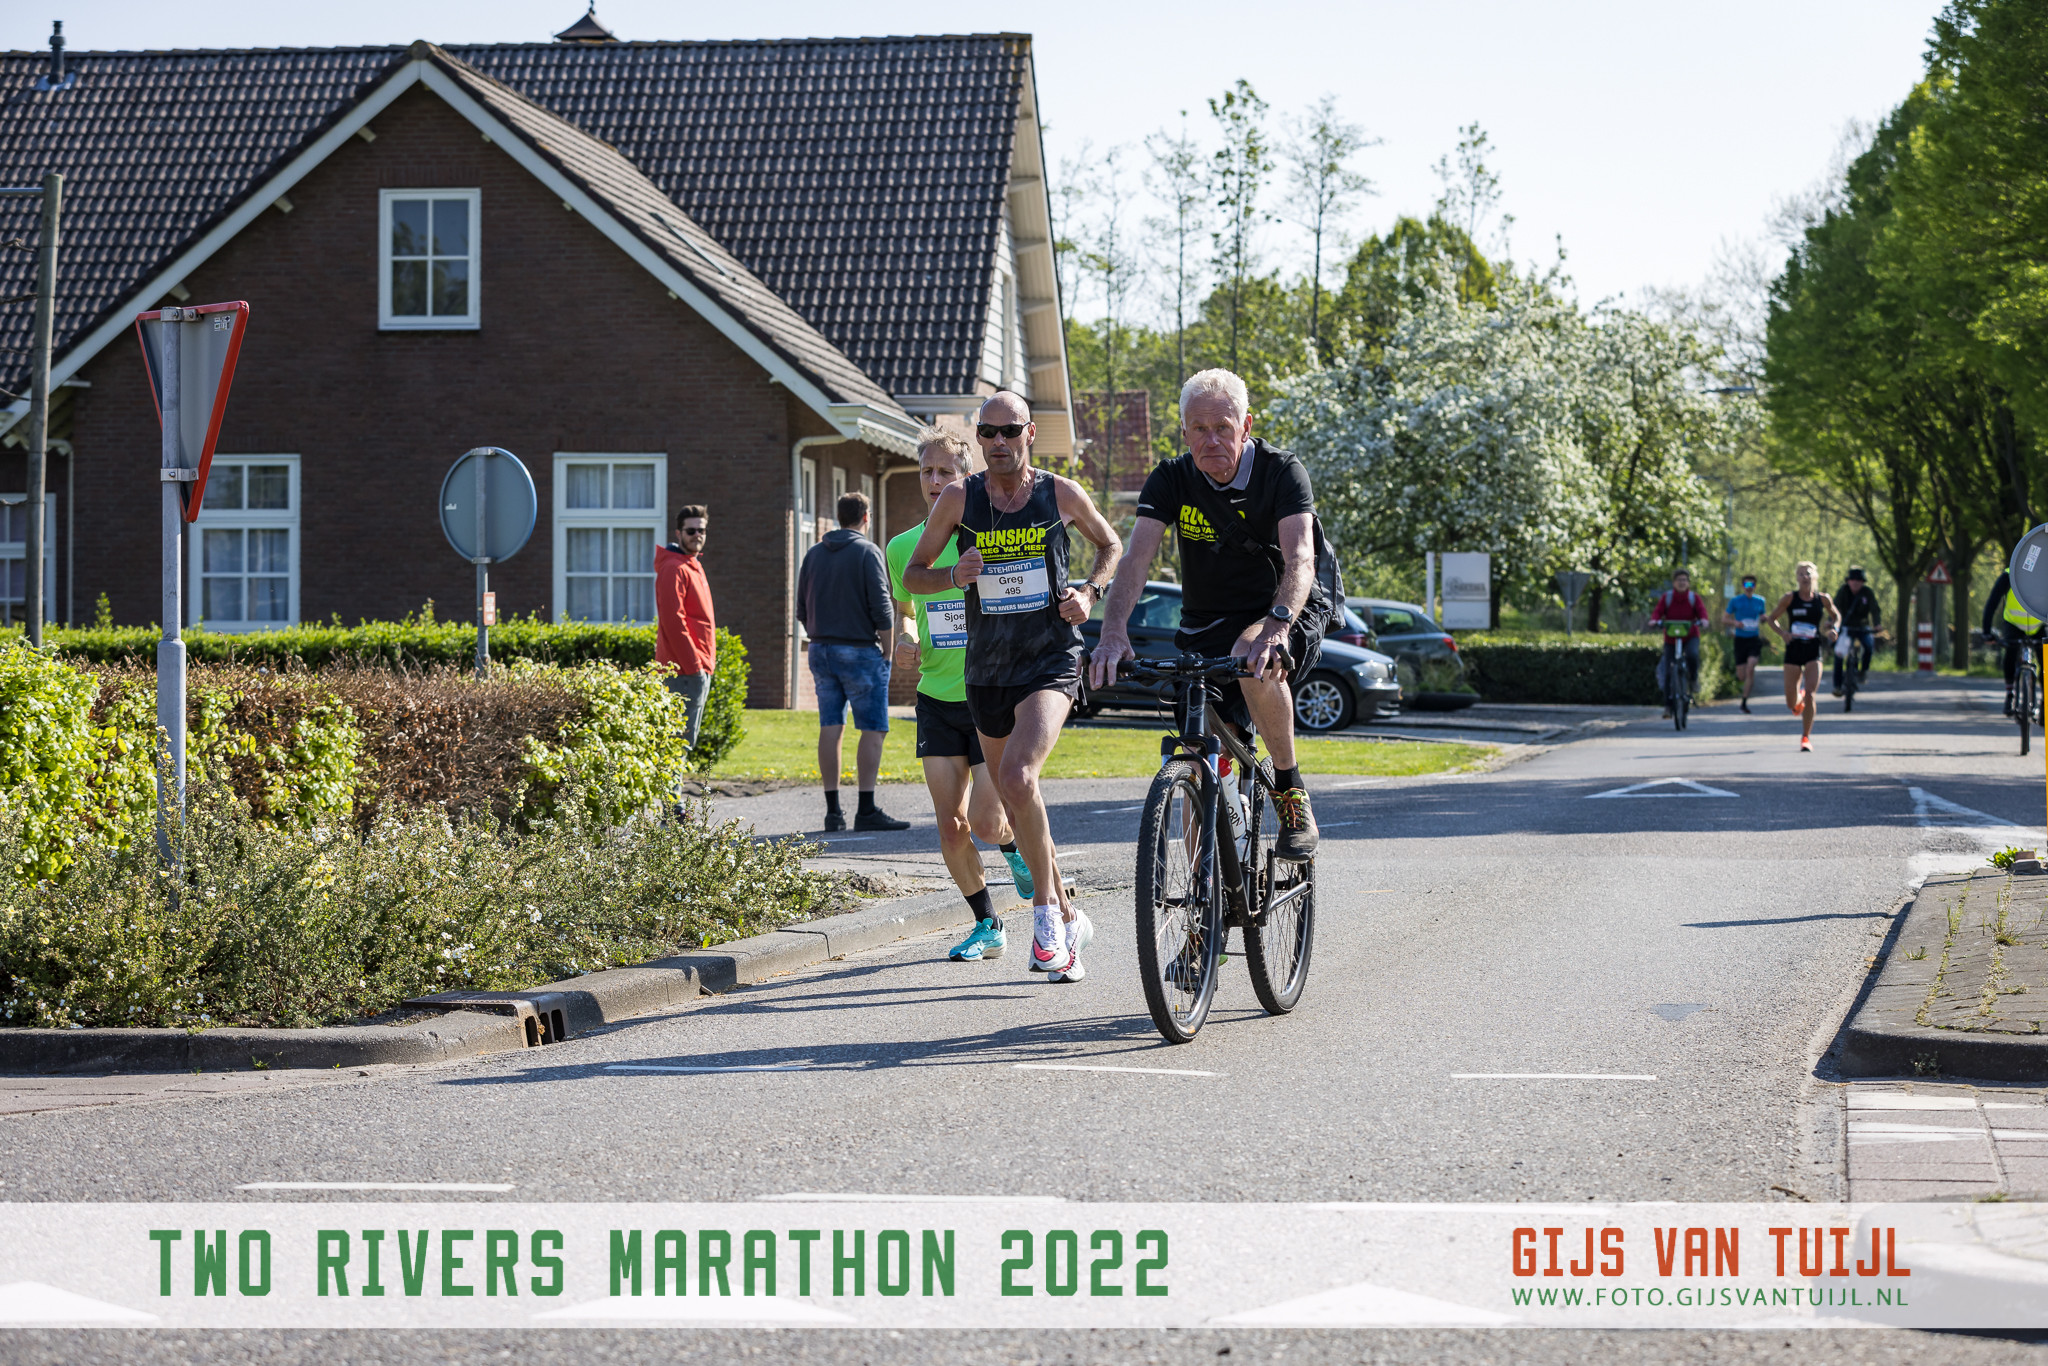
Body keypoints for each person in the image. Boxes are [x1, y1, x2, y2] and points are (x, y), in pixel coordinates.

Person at [903, 391, 1123, 983]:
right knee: (1016, 798)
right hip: (987, 670)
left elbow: (1111, 545)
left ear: (1030, 434)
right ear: (979, 438)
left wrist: (1090, 593)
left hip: (1050, 659)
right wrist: (954, 574)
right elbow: (914, 575)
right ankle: (1072, 919)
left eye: (1009, 431)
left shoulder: (1060, 493)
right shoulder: (960, 498)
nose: (998, 442)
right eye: (988, 432)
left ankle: (1046, 922)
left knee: (1019, 778)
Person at [1090, 367, 1323, 863]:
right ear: (1184, 432)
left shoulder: (1282, 472)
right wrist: (1112, 633)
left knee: (1252, 652)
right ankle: (1202, 898)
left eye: (1222, 427)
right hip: (1207, 620)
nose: (1211, 439)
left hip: (1285, 607)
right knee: (1200, 759)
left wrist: (1277, 626)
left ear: (1246, 425)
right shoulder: (1171, 478)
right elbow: (1135, 561)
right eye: (1199, 428)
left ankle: (1289, 789)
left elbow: (1302, 558)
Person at [885, 428, 1036, 960]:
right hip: (936, 699)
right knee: (951, 826)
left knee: (989, 822)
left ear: (965, 478)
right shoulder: (902, 547)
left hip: (989, 697)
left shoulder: (990, 536)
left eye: (945, 472)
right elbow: (905, 611)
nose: (934, 480)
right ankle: (987, 924)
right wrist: (904, 641)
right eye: (926, 471)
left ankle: (1014, 848)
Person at [797, 490, 908, 832]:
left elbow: (800, 608)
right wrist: (887, 650)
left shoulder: (813, 554)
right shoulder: (867, 552)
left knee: (831, 726)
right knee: (873, 728)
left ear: (838, 517)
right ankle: (866, 809)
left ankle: (833, 812)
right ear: (866, 517)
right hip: (860, 651)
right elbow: (882, 607)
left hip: (820, 650)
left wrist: (820, 636)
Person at [653, 504, 716, 750]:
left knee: (682, 743)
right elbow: (673, 621)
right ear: (678, 533)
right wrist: (694, 666)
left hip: (695, 668)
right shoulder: (674, 568)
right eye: (691, 531)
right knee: (677, 745)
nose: (697, 535)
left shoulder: (692, 564)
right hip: (684, 671)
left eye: (702, 530)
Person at [1763, 560, 1840, 752]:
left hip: (1813, 648)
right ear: (1797, 578)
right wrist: (1783, 634)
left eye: (1808, 573)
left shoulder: (1823, 599)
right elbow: (1771, 619)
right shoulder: (1790, 598)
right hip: (1794, 649)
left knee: (1812, 693)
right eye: (1801, 574)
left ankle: (1806, 737)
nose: (1805, 577)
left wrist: (1834, 629)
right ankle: (1799, 699)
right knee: (1791, 702)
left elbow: (1836, 616)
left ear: (1815, 577)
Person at [1647, 569, 1711, 720]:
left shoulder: (1693, 598)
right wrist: (1654, 620)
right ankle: (1668, 706)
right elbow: (1658, 611)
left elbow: (1701, 611)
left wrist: (1704, 620)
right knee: (1669, 671)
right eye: (1679, 580)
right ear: (1674, 583)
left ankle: (1693, 679)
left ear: (1688, 583)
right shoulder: (1667, 597)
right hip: (1671, 638)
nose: (1682, 583)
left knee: (1692, 655)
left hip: (1690, 636)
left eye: (1684, 580)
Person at [1983, 567, 2046, 716]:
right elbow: (1992, 603)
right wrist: (1986, 632)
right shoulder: (2009, 575)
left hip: (2039, 625)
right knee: (2010, 652)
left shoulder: (2045, 573)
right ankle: (2010, 694)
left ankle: (2046, 701)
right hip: (2014, 624)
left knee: (2046, 662)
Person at [1722, 572, 1769, 714]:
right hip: (1740, 640)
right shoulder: (1735, 601)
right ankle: (1744, 690)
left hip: (1754, 639)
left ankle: (1744, 701)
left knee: (1750, 667)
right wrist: (1735, 623)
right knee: (1741, 675)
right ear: (1743, 586)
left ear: (1755, 586)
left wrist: (1764, 619)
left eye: (1752, 584)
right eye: (1747, 584)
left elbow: (1763, 615)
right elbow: (1724, 619)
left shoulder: (1760, 601)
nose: (1749, 587)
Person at [1831, 567, 1882, 696]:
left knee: (1868, 646)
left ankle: (1863, 671)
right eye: (1853, 579)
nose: (1855, 582)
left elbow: (1875, 609)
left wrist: (1877, 624)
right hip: (1845, 627)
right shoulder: (1843, 591)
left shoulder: (1867, 593)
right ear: (1848, 581)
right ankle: (1837, 686)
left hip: (1862, 627)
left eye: (1859, 580)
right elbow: (1834, 608)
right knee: (1839, 654)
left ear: (1862, 582)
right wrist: (1830, 621)